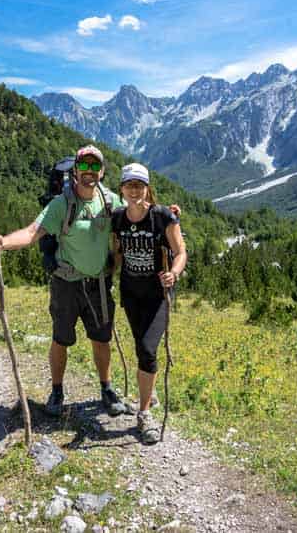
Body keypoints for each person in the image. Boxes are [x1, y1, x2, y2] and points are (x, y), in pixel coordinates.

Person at [0, 145, 129, 417]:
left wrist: (165, 215)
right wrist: (3, 242)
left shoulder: (111, 200)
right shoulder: (60, 204)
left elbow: (136, 217)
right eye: (84, 166)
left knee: (101, 339)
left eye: (94, 166)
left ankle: (107, 389)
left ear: (102, 171)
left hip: (98, 283)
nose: (89, 171)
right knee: (61, 339)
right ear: (75, 170)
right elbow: (32, 233)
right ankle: (57, 390)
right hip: (66, 284)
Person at [111, 162, 187, 444]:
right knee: (140, 346)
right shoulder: (117, 218)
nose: (134, 190)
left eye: (139, 185)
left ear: (147, 188)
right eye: (129, 185)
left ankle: (143, 415)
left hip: (158, 296)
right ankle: (148, 391)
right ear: (121, 189)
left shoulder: (162, 217)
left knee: (147, 349)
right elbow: (115, 251)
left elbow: (180, 252)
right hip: (131, 293)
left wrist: (174, 273)